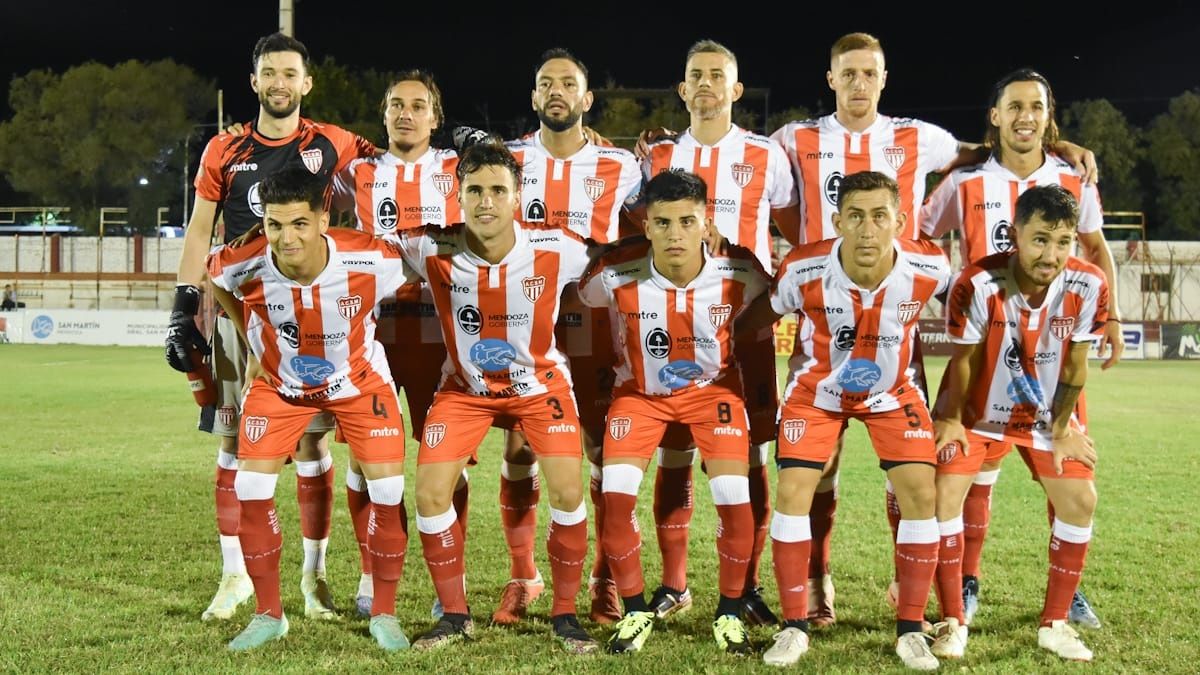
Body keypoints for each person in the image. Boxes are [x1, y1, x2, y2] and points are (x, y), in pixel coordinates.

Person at [767, 32, 1098, 626]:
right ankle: (817, 579)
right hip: (825, 315)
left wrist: (1055, 145)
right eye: (849, 73)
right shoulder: (794, 139)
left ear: (884, 78)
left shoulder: (920, 137)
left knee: (910, 463)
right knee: (820, 463)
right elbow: (774, 200)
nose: (859, 83)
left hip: (898, 318)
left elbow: (984, 149)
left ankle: (907, 581)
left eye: (870, 72)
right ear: (831, 78)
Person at [164, 32, 377, 623]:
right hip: (239, 315)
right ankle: (234, 576)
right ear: (254, 81)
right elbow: (200, 229)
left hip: (312, 317)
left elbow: (396, 164)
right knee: (235, 442)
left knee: (313, 442)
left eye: (290, 73)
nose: (279, 83)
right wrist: (183, 307)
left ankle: (314, 576)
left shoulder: (333, 142)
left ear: (306, 83)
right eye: (269, 72)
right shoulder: (223, 149)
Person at [920, 68, 1117, 630]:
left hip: (1054, 354)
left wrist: (1110, 316)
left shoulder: (1074, 177)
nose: (1025, 116)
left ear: (1048, 117)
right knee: (973, 473)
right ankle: (968, 579)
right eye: (1014, 106)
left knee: (1065, 460)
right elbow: (922, 239)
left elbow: (1096, 248)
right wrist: (951, 292)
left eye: (1036, 106)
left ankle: (1068, 593)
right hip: (984, 352)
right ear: (996, 116)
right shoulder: (964, 183)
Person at [737, 171, 950, 670]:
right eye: (855, 216)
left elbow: (972, 314)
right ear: (837, 222)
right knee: (793, 492)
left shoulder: (929, 266)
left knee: (922, 495)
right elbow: (756, 318)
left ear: (900, 221)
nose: (867, 229)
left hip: (892, 393)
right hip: (818, 395)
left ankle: (911, 629)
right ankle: (794, 627)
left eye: (879, 216)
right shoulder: (804, 266)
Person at [396, 142, 597, 654]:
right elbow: (352, 248)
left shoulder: (560, 246)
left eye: (498, 190)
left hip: (540, 387)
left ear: (517, 196)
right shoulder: (429, 246)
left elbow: (615, 260)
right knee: (430, 494)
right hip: (465, 391)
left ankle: (566, 616)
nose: (486, 201)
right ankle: (454, 616)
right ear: (458, 194)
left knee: (568, 493)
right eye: (475, 190)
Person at [205, 167, 417, 651]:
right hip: (280, 384)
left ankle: (384, 613)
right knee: (250, 486)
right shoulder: (245, 260)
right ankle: (269, 614)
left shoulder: (370, 257)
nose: (287, 238)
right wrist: (251, 341)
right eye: (275, 225)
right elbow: (215, 277)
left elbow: (413, 270)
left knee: (388, 490)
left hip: (359, 383)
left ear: (323, 220)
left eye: (300, 223)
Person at [637, 39, 798, 626]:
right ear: (683, 90)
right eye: (695, 76)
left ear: (736, 89)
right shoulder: (656, 156)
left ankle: (747, 585)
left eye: (717, 75)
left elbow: (794, 224)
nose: (706, 84)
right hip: (670, 322)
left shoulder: (766, 155)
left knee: (752, 455)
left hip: (744, 326)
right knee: (675, 451)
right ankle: (674, 584)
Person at [578, 170, 768, 655]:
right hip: (640, 396)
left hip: (713, 393)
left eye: (687, 221)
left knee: (733, 495)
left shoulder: (739, 270)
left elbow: (772, 306)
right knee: (616, 496)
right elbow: (579, 304)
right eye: (662, 223)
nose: (675, 234)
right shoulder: (613, 274)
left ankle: (729, 614)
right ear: (646, 226)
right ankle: (636, 609)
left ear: (706, 222)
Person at [498, 47, 642, 626]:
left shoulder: (621, 165)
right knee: (520, 447)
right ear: (534, 96)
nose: (555, 91)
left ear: (587, 98)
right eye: (545, 83)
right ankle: (523, 576)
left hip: (596, 321)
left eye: (567, 83)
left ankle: (605, 582)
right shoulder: (507, 160)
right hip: (525, 321)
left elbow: (647, 227)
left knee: (603, 450)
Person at [930, 184, 1105, 662]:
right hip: (978, 415)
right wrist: (951, 419)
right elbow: (963, 361)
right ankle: (952, 620)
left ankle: (1055, 623)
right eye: (1040, 239)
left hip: (1049, 418)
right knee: (944, 495)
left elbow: (1075, 366)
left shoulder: (1088, 284)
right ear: (1015, 235)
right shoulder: (977, 282)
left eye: (1063, 241)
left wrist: (1063, 430)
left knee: (1080, 500)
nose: (1052, 254)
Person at [330, 69, 471, 618]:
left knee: (449, 465)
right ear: (384, 114)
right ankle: (370, 571)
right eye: (395, 105)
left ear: (435, 118)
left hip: (443, 332)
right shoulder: (359, 172)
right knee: (365, 462)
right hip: (372, 332)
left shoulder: (459, 168)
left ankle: (448, 583)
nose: (405, 114)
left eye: (417, 106)